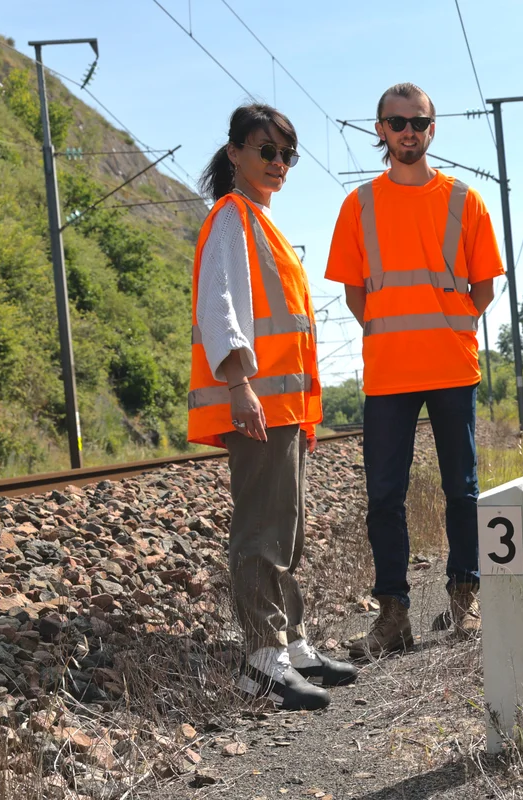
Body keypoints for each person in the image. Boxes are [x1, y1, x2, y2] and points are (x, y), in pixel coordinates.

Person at [325, 83, 505, 657]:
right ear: (379, 129)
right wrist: (394, 331)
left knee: (463, 490)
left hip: (452, 367)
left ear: (433, 129)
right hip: (388, 372)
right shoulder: (359, 205)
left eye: (418, 121)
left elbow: (485, 286)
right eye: (396, 122)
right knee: (384, 496)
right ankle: (393, 616)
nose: (408, 131)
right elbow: (356, 293)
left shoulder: (464, 200)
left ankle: (464, 600)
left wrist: (444, 326)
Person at [189, 103, 358, 710]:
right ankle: (263, 659)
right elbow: (220, 308)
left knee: (287, 526)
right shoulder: (232, 218)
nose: (279, 163)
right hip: (256, 402)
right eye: (267, 151)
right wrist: (239, 386)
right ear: (235, 153)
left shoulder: (260, 221)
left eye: (287, 155)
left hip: (284, 407)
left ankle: (293, 643)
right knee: (263, 527)